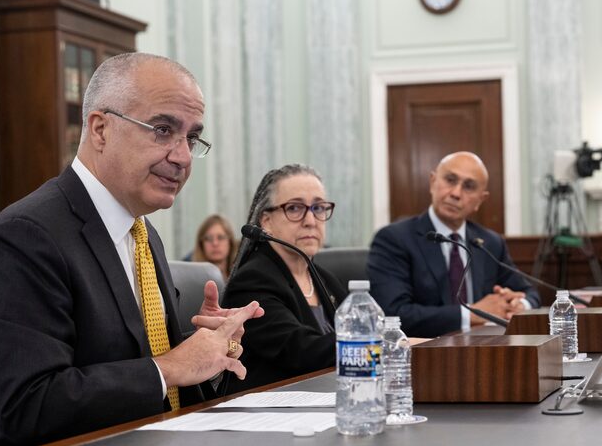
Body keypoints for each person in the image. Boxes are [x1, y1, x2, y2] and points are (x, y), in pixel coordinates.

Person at [0, 53, 263, 446]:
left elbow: (135, 365)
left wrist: (209, 354)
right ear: (100, 129)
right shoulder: (25, 237)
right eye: (162, 129)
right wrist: (172, 367)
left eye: (192, 138)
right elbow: (29, 405)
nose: (183, 157)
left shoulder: (142, 234)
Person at [367, 151, 540, 338]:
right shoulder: (394, 239)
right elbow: (394, 313)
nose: (456, 193)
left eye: (468, 187)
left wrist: (515, 305)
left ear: (481, 200)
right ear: (433, 182)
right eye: (450, 180)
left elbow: (530, 293)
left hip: (484, 349)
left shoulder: (490, 242)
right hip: (424, 354)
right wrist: (472, 313)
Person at [222, 164, 346, 392]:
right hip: (271, 413)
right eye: (295, 208)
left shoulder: (325, 279)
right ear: (266, 221)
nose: (311, 220)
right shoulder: (252, 282)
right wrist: (372, 344)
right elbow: (300, 352)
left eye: (318, 207)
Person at [191, 214, 238, 281]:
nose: (215, 243)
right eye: (209, 238)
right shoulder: (192, 279)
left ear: (230, 242)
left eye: (220, 237)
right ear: (201, 244)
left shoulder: (241, 277)